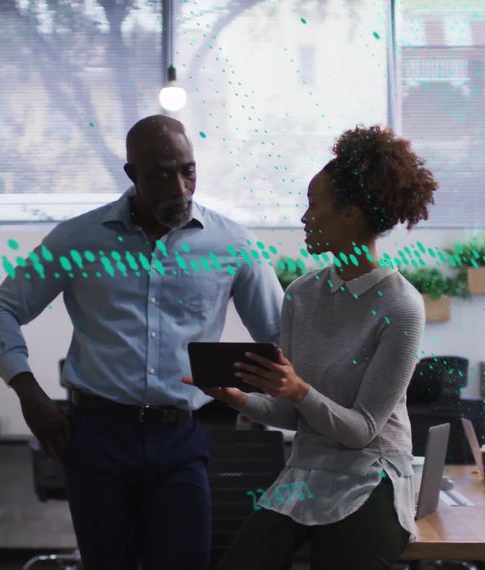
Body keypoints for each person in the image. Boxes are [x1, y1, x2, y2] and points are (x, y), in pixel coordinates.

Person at [0, 115, 283, 570]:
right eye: (162, 174)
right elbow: (1, 310)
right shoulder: (78, 239)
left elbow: (281, 335)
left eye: (189, 171)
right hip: (99, 435)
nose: (181, 188)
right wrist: (28, 391)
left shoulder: (234, 244)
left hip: (181, 436)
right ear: (132, 175)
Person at [184, 125, 437, 569]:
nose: (304, 217)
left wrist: (297, 389)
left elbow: (361, 431)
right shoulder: (301, 294)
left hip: (370, 474)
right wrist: (241, 398)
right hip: (306, 472)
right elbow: (295, 416)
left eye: (313, 204)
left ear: (350, 216)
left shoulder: (401, 306)